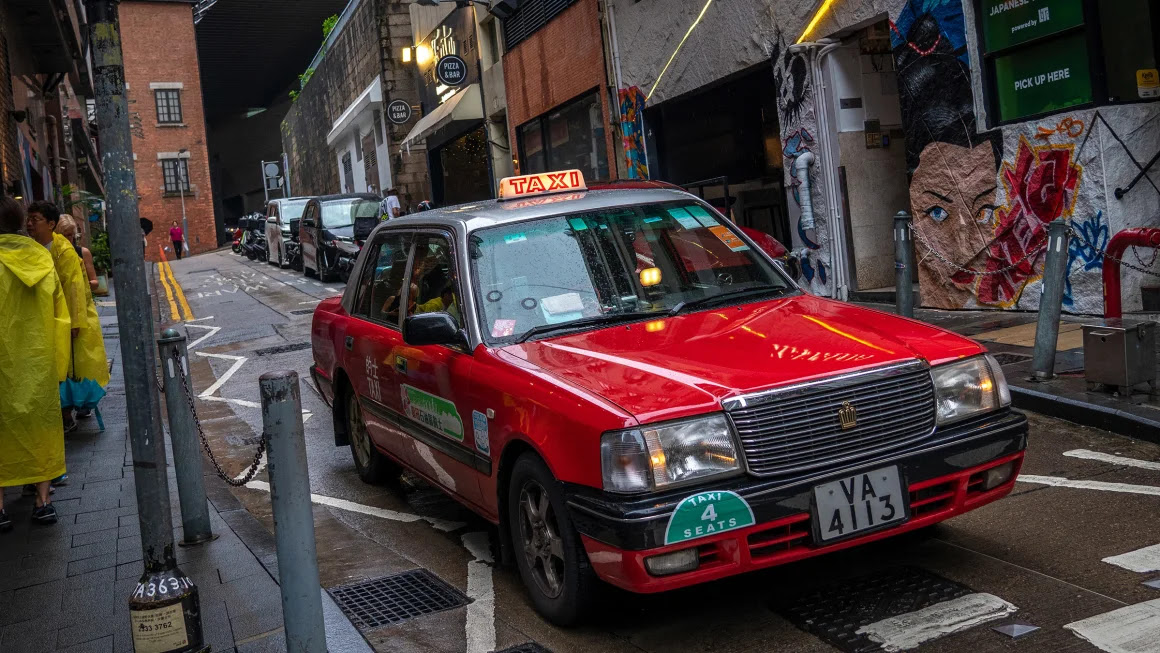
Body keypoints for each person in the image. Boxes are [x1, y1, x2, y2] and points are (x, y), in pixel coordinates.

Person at [0, 196, 71, 528]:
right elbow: (60, 316)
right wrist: (58, 365)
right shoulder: (43, 260)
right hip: (39, 361)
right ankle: (43, 503)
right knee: (42, 428)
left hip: (4, 363)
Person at [26, 202, 110, 433]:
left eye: (35, 219)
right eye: (29, 218)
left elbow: (75, 289)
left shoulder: (64, 252)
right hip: (47, 319)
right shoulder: (35, 248)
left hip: (68, 319)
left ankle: (68, 413)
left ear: (50, 224)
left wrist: (74, 323)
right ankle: (65, 412)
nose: (29, 223)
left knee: (70, 366)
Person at [57, 215, 99, 291]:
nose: (66, 239)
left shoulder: (83, 252)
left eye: (69, 235)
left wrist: (84, 283)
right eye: (62, 236)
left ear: (74, 235)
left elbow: (95, 282)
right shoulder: (51, 253)